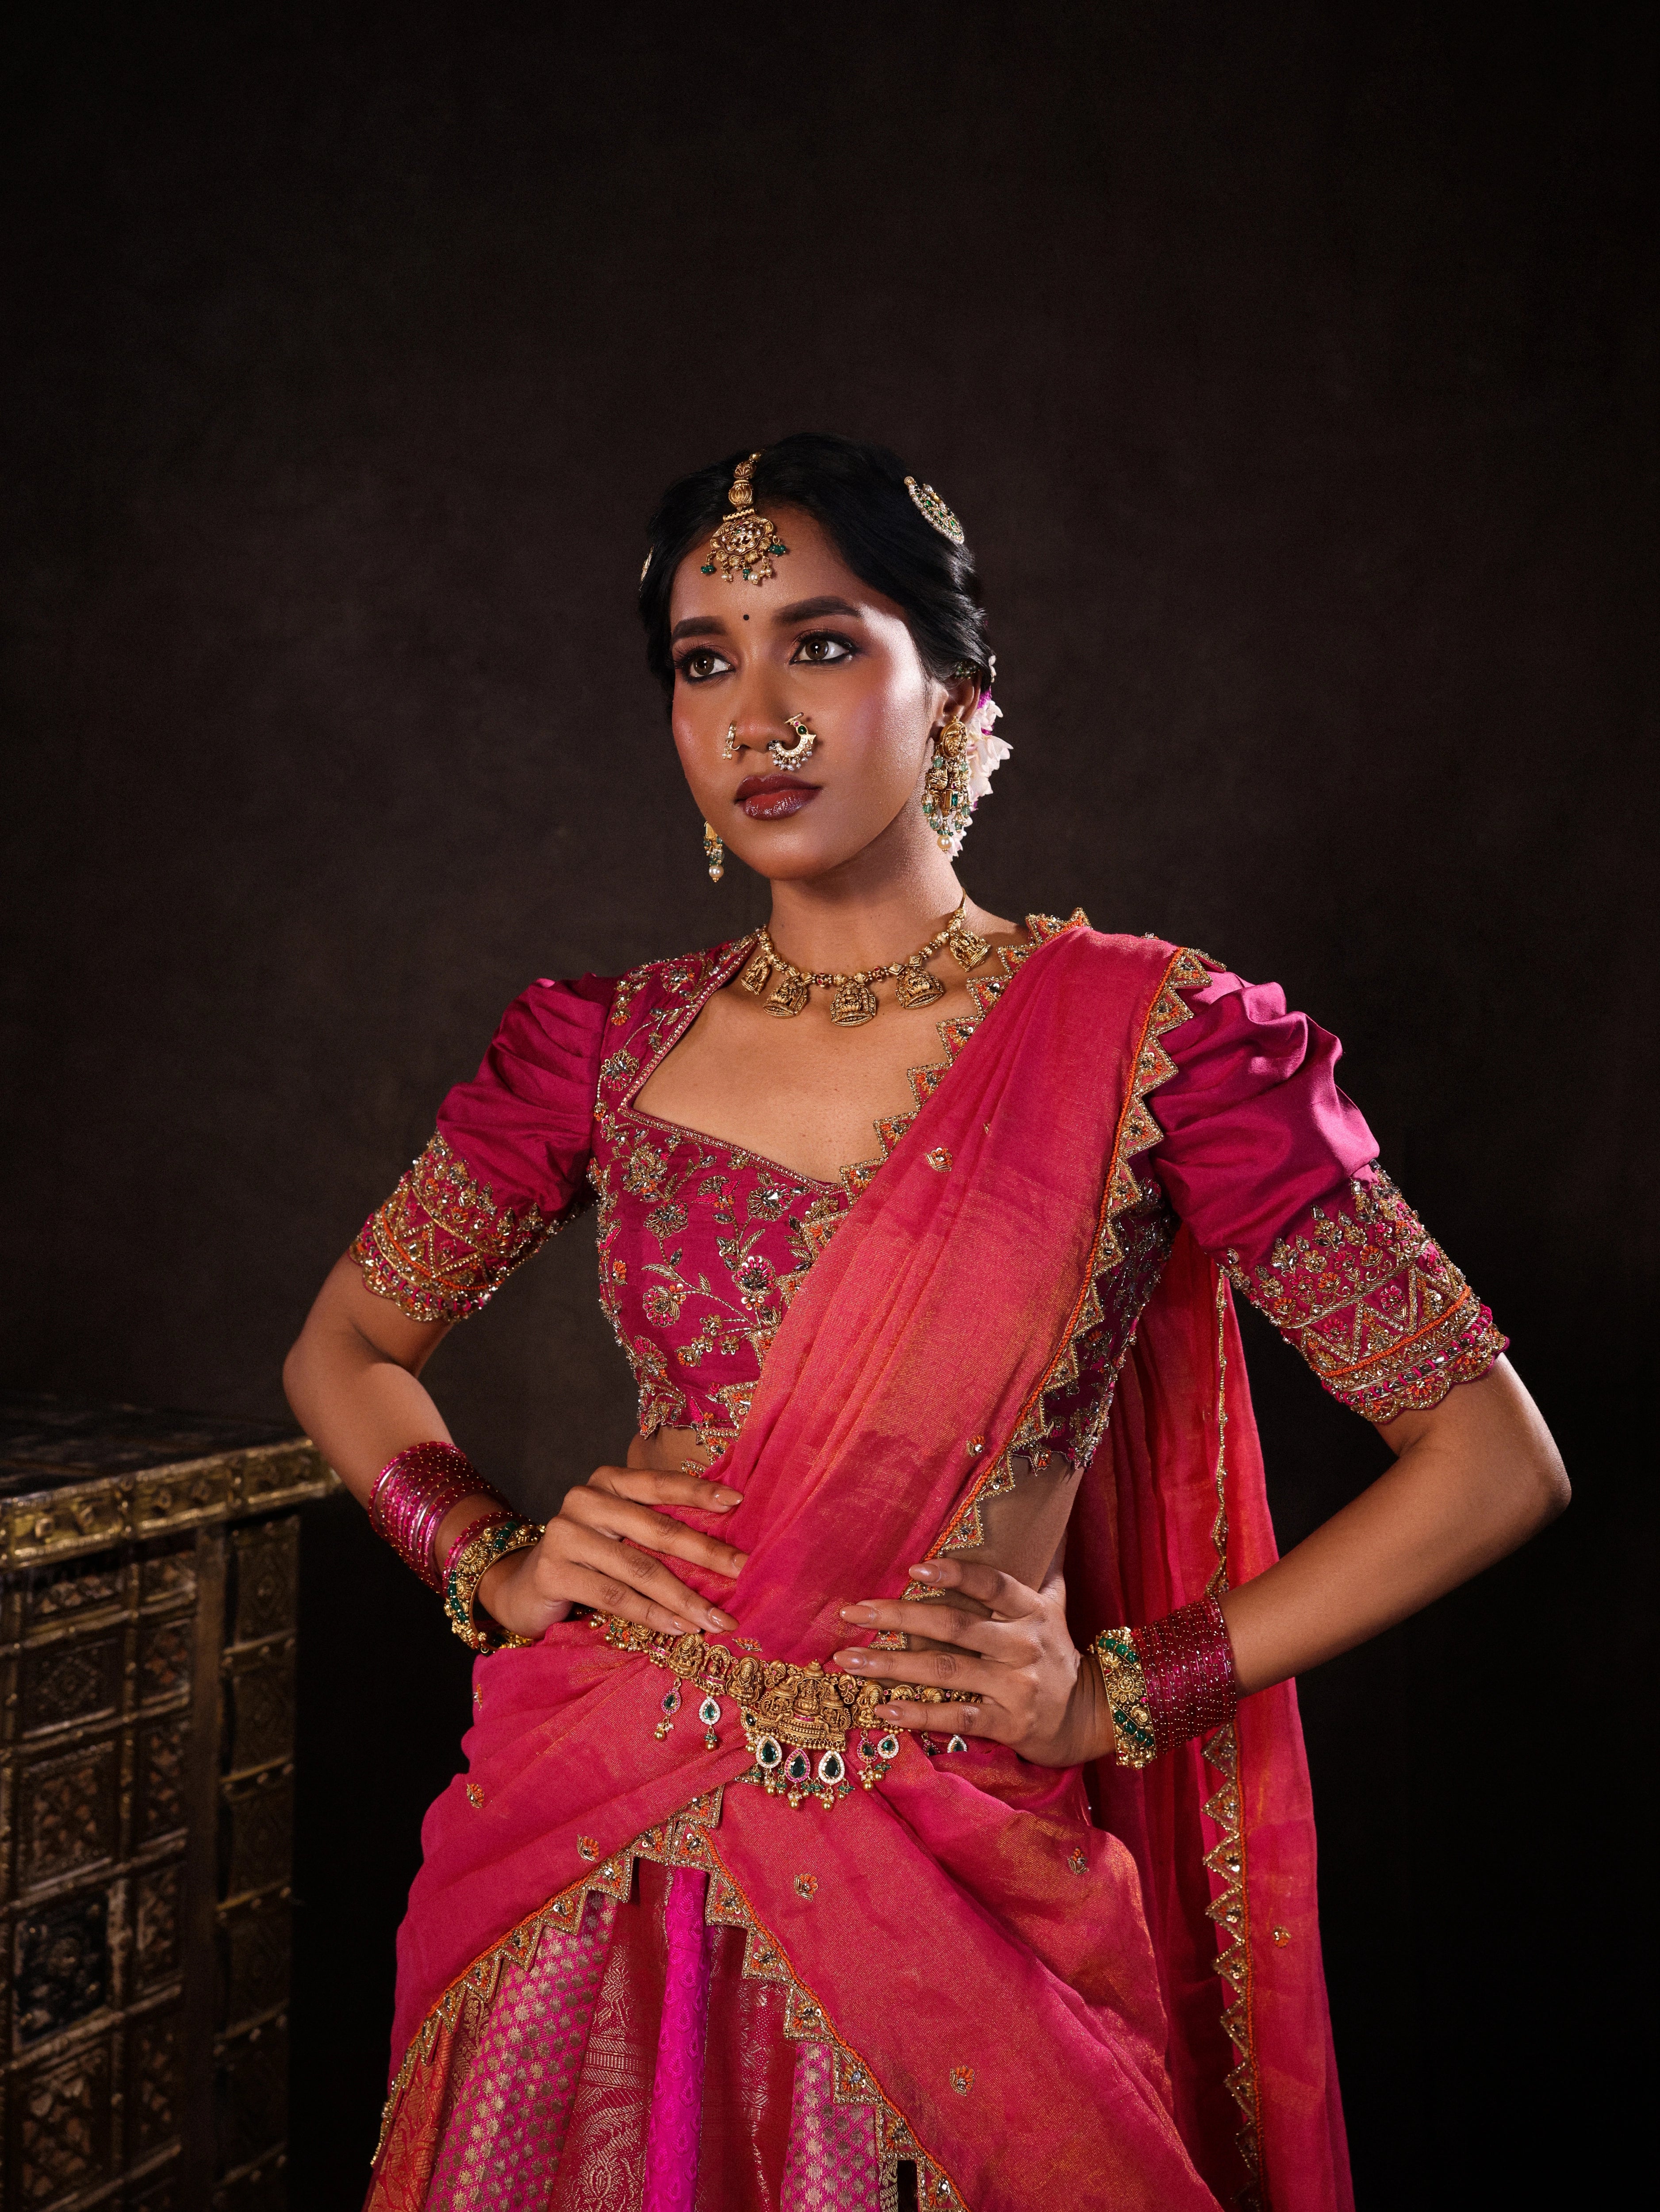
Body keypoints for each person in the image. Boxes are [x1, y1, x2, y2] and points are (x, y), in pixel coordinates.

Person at [284, 434, 1568, 2212]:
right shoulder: (600, 1044)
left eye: (820, 641)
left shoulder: (1162, 1048)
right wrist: (482, 1548)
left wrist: (1129, 1683)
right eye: (704, 660)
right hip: (602, 1823)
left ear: (958, 689)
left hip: (956, 1847)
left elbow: (1494, 1457)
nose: (760, 716)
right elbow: (342, 1348)